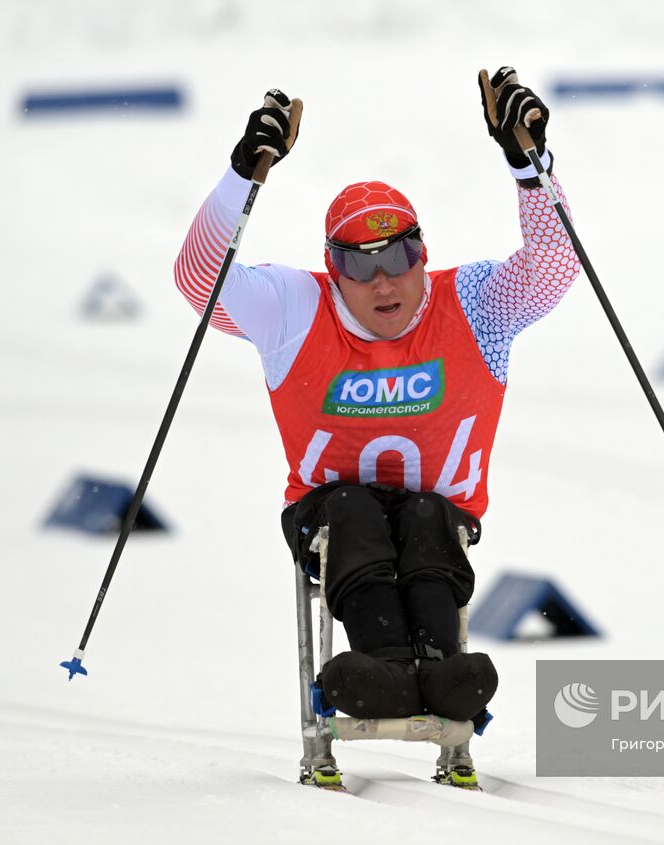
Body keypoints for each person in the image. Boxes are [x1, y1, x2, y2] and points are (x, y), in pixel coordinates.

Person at [174, 68, 579, 726]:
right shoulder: (296, 308)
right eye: (360, 264)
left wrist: (528, 165)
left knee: (423, 515)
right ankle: (382, 671)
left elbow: (557, 265)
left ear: (424, 254)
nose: (384, 280)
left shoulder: (472, 304)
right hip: (327, 523)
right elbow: (198, 280)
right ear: (333, 270)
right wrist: (241, 176)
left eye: (400, 256)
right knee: (357, 509)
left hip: (442, 521)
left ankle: (446, 676)